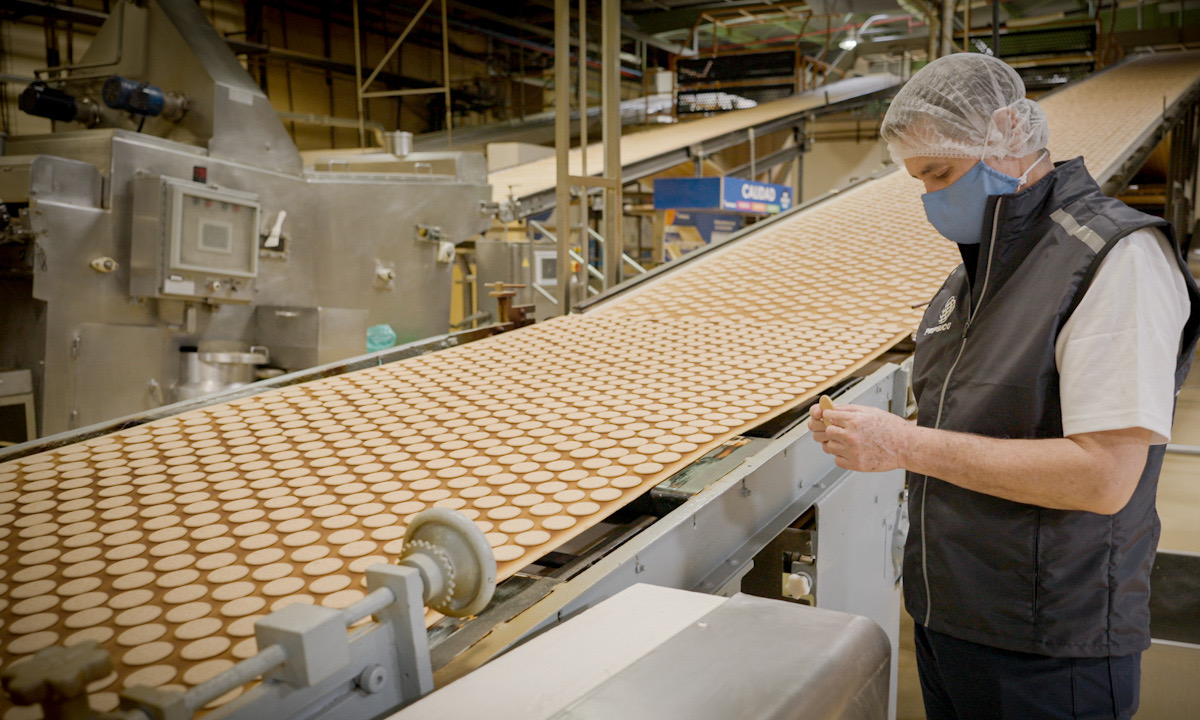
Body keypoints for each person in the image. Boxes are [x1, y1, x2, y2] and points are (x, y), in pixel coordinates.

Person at [810, 53, 1200, 719]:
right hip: (951, 625)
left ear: (1008, 139)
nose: (931, 198)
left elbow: (1104, 477)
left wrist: (904, 446)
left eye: (940, 173)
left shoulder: (1112, 258)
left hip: (1047, 650)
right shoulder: (969, 283)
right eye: (918, 181)